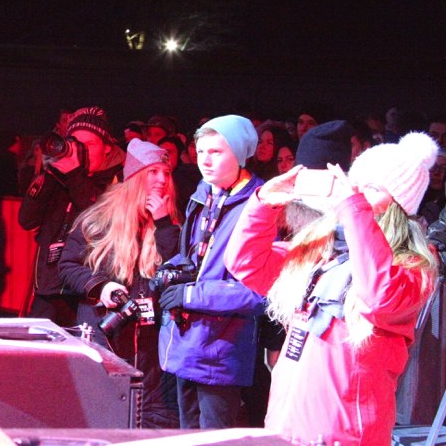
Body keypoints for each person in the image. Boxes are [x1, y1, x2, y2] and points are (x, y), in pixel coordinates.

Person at [223, 132, 439, 445]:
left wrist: (354, 211)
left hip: (344, 435)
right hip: (287, 424)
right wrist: (264, 204)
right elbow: (247, 263)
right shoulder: (324, 249)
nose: (356, 192)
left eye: (371, 188)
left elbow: (379, 298)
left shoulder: (413, 265)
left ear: (398, 205)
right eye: (356, 182)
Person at [59, 138, 180, 428]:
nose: (162, 179)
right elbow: (67, 266)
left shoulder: (171, 222)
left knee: (151, 424)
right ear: (135, 177)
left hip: (152, 350)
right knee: (101, 420)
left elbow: (178, 269)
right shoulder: (99, 219)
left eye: (166, 173)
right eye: (153, 172)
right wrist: (101, 286)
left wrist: (164, 225)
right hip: (105, 339)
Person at [157, 114, 266, 430]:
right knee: (187, 435)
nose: (204, 160)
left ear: (240, 154)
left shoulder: (260, 205)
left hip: (221, 348)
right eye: (201, 151)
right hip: (187, 341)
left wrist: (191, 294)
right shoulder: (204, 192)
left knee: (213, 436)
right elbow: (194, 257)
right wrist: (169, 272)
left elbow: (259, 292)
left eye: (216, 152)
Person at [19, 107, 125, 326]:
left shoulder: (119, 179)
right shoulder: (60, 175)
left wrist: (75, 175)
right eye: (75, 143)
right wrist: (49, 176)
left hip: (87, 290)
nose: (81, 149)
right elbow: (26, 220)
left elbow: (99, 219)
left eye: (90, 144)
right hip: (49, 286)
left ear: (107, 147)